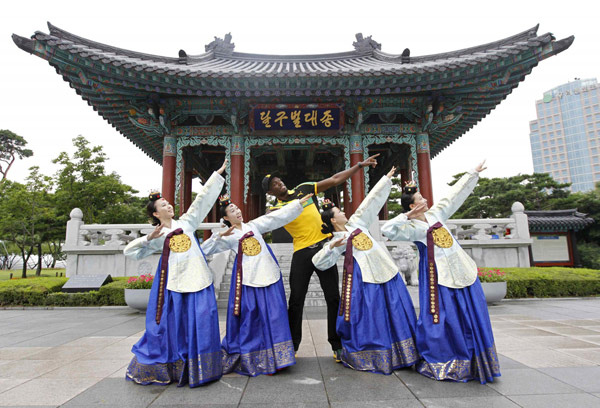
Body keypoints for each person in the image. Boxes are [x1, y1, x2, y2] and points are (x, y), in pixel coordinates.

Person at [381, 161, 501, 384]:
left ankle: (475, 359)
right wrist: (406, 216)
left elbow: (453, 196)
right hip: (440, 277)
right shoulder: (412, 229)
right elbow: (387, 229)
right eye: (419, 199)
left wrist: (471, 173)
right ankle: (447, 358)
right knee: (446, 317)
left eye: (422, 198)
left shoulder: (437, 214)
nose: (425, 200)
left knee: (470, 313)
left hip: (462, 271)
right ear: (411, 206)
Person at [263, 154, 379, 360]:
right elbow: (270, 221)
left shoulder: (304, 188)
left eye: (279, 180)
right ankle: (292, 345)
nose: (279, 183)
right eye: (274, 184)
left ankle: (337, 345)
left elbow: (334, 179)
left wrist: (359, 166)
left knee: (333, 297)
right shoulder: (276, 209)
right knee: (296, 299)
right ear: (270, 192)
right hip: (301, 254)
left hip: (325, 249)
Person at [123, 159, 227, 387]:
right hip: (174, 286)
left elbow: (202, 201)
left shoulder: (187, 222)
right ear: (156, 214)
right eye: (163, 205)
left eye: (169, 203)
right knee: (175, 327)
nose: (169, 206)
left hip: (199, 281)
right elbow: (130, 251)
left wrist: (217, 174)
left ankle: (202, 368)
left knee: (203, 320)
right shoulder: (157, 236)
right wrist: (148, 238)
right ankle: (175, 367)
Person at [312, 167, 419, 374]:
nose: (344, 212)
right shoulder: (336, 240)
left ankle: (403, 353)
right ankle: (375, 353)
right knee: (374, 316)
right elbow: (319, 262)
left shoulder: (357, 224)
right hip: (366, 280)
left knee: (396, 312)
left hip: (388, 273)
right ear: (333, 220)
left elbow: (370, 202)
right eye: (340, 212)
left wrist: (387, 179)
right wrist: (332, 248)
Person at [201, 192, 313, 376]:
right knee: (251, 318)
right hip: (248, 282)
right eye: (232, 210)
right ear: (225, 217)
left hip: (268, 276)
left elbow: (274, 218)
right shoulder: (228, 236)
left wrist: (297, 204)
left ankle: (279, 357)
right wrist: (219, 236)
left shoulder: (254, 226)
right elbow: (204, 250)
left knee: (275, 315)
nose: (237, 211)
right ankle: (252, 356)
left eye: (237, 208)